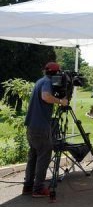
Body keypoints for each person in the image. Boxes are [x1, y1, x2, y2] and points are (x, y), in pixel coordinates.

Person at [22, 62, 69, 198]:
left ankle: (28, 186)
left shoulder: (40, 81)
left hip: (32, 126)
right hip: (41, 127)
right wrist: (61, 102)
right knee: (44, 156)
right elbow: (46, 96)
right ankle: (38, 189)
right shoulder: (48, 82)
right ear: (55, 73)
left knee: (33, 156)